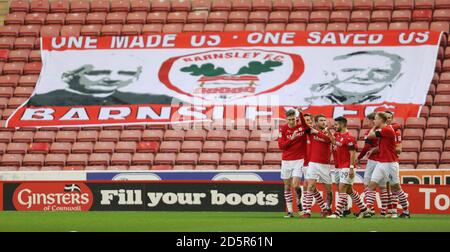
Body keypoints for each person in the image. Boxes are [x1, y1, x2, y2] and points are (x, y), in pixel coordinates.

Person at [27, 63, 179, 106]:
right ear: (69, 76)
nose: (112, 78)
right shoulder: (41, 101)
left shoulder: (159, 99)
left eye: (125, 73)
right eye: (98, 72)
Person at [306, 51, 404, 105]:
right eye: (351, 70)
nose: (364, 76)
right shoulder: (306, 102)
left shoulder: (395, 104)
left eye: (379, 71)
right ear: (330, 74)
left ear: (395, 77)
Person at [364, 112, 410, 218]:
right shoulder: (386, 129)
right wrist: (373, 150)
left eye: (376, 119)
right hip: (381, 163)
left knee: (396, 188)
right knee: (371, 186)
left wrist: (374, 127)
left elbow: (370, 136)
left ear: (381, 120)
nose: (374, 121)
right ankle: (368, 209)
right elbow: (383, 146)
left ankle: (406, 211)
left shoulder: (387, 130)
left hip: (390, 164)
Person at [327, 116, 370, 219]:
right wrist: (328, 130)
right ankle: (364, 210)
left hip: (347, 166)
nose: (335, 126)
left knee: (342, 188)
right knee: (349, 190)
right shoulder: (337, 135)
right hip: (340, 166)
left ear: (342, 124)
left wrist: (351, 168)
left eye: (336, 124)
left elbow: (352, 154)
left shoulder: (349, 138)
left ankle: (337, 213)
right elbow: (333, 141)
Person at [278, 109, 312, 218]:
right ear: (286, 119)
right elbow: (281, 146)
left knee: (296, 185)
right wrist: (291, 139)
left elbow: (307, 127)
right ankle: (290, 211)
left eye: (293, 119)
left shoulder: (301, 127)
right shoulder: (283, 129)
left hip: (298, 160)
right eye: (290, 119)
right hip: (286, 161)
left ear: (296, 118)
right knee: (287, 186)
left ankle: (299, 203)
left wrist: (301, 114)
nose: (292, 121)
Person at [302, 114, 333, 218]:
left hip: (325, 165)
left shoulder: (329, 132)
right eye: (321, 120)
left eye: (325, 120)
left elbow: (329, 140)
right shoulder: (311, 131)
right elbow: (304, 125)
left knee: (329, 190)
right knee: (310, 186)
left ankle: (327, 209)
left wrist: (318, 133)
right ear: (316, 122)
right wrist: (300, 114)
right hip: (314, 163)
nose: (323, 122)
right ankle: (307, 211)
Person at [292, 113, 313, 212]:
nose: (307, 122)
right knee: (296, 185)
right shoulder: (300, 133)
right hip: (299, 162)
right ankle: (299, 198)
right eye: (305, 120)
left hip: (310, 164)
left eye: (309, 120)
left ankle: (305, 208)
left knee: (307, 185)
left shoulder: (313, 132)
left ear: (312, 121)